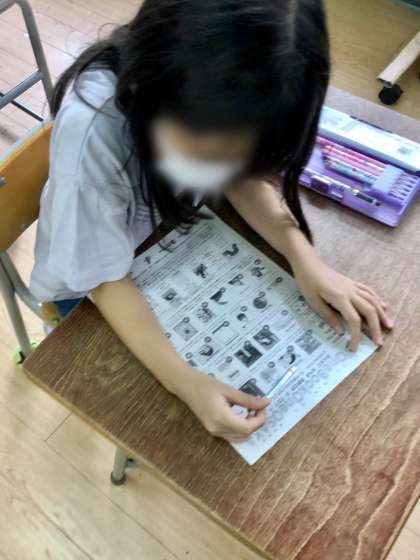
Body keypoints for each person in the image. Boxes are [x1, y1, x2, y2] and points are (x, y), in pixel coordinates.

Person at [30, 0, 393, 444]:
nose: (227, 170)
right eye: (210, 156)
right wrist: (181, 380)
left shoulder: (211, 88)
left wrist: (305, 259)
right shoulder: (94, 131)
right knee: (129, 412)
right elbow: (100, 278)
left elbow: (241, 180)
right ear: (152, 94)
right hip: (85, 288)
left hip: (164, 240)